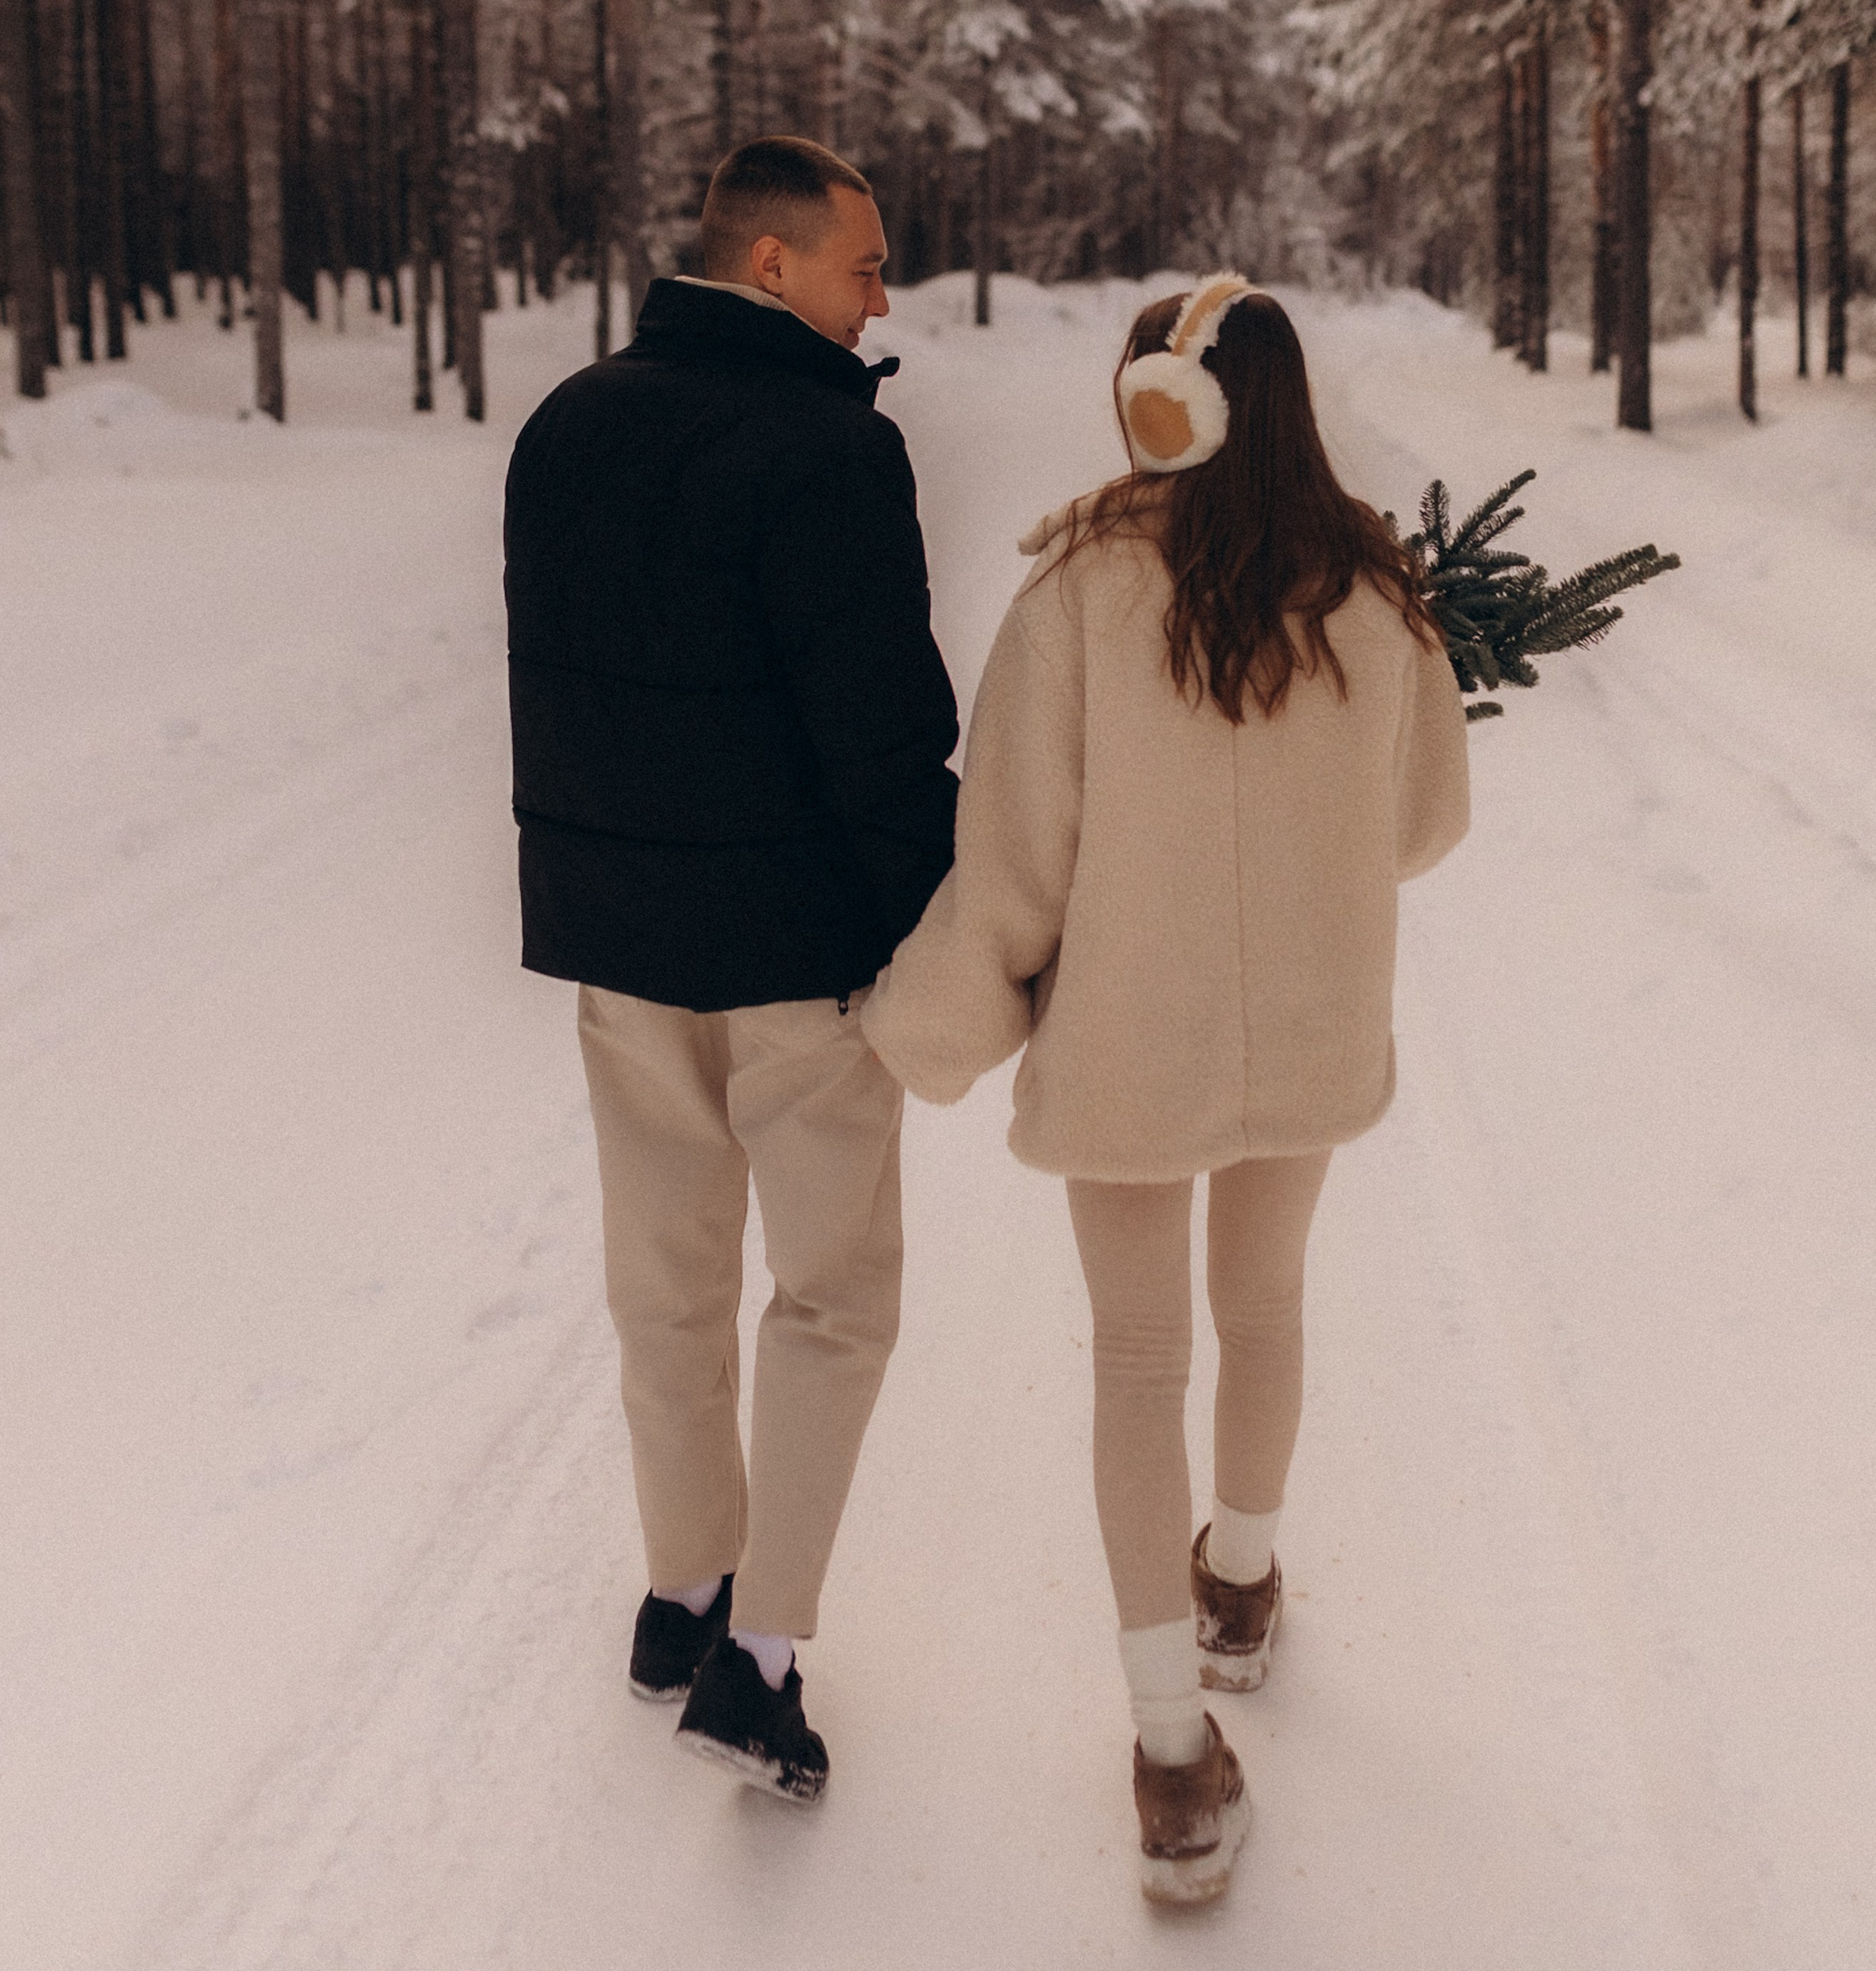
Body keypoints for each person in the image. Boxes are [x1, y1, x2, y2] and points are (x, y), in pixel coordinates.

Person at [862, 276, 1470, 1905]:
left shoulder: (1075, 597)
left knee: (1136, 1360)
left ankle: (1168, 1756)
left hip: (1130, 1033)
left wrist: (922, 1024)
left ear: (1157, 407)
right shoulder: (1375, 594)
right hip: (1310, 1027)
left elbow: (1013, 861)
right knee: (1260, 1309)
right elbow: (1418, 827)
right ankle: (1242, 1585)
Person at [503, 136, 959, 1804]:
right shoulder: (827, 450)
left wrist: (579, 890)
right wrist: (939, 940)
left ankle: (676, 1590)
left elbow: (550, 687)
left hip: (625, 953)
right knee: (829, 1302)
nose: (880, 295)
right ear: (770, 265)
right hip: (798, 964)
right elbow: (885, 734)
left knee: (665, 1284)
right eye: (864, 264)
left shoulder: (566, 425)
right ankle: (758, 1658)